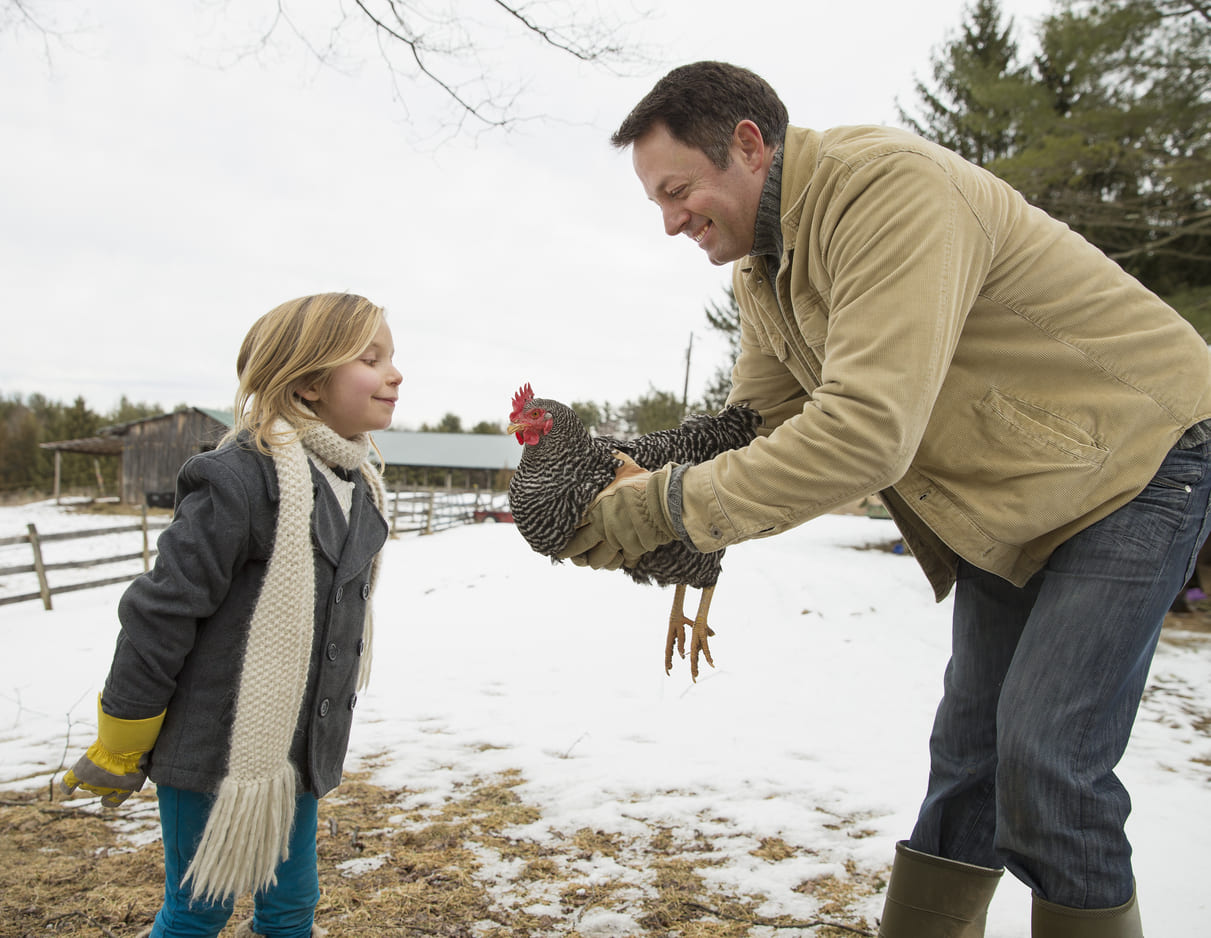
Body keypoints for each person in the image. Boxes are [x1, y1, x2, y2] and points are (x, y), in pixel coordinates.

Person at [562, 61, 1211, 937]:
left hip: (1136, 459)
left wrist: (660, 510)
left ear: (748, 146)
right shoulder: (764, 270)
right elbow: (751, 426)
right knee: (968, 760)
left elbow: (864, 431)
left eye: (677, 190)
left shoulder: (885, 190)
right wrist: (618, 473)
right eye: (657, 203)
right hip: (1013, 493)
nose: (672, 221)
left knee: (1047, 766)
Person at [60, 293, 403, 938]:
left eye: (393, 357)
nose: (395, 373)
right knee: (198, 909)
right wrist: (123, 736)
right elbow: (160, 613)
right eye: (370, 357)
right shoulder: (240, 480)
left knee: (292, 907)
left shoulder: (356, 484)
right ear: (306, 380)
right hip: (211, 744)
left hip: (293, 754)